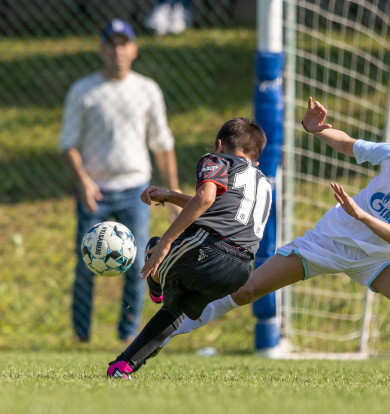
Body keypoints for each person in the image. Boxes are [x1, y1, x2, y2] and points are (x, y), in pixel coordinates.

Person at [165, 97, 390, 385]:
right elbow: (351, 145)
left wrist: (364, 216)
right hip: (327, 242)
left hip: (378, 259)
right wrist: (317, 130)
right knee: (247, 290)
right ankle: (158, 338)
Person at [107, 117, 270, 379]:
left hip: (206, 251)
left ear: (219, 145)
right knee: (175, 312)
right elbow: (216, 206)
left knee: (153, 248)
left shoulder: (217, 159)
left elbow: (205, 197)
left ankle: (158, 284)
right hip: (239, 270)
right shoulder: (262, 180)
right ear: (256, 159)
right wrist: (170, 195)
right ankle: (123, 366)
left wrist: (167, 242)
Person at [60, 18, 180, 343]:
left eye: (123, 44)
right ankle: (80, 336)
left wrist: (172, 195)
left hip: (135, 192)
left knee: (136, 266)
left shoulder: (147, 90)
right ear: (102, 49)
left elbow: (162, 144)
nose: (117, 51)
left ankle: (128, 335)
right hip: (95, 192)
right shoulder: (84, 91)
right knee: (87, 266)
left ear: (134, 49)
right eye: (111, 44)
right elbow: (68, 144)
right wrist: (84, 181)